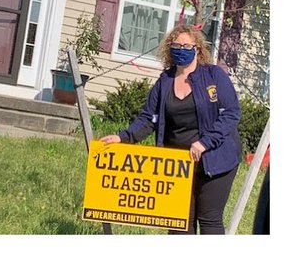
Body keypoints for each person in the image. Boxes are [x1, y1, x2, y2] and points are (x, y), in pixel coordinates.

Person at [99, 24, 242, 234]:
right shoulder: (165, 81)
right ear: (169, 49)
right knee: (178, 222)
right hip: (178, 165)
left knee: (209, 219)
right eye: (176, 45)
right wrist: (123, 137)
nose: (181, 49)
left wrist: (205, 142)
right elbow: (149, 118)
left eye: (186, 45)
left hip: (216, 159)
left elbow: (231, 113)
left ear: (197, 48)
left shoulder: (213, 75)